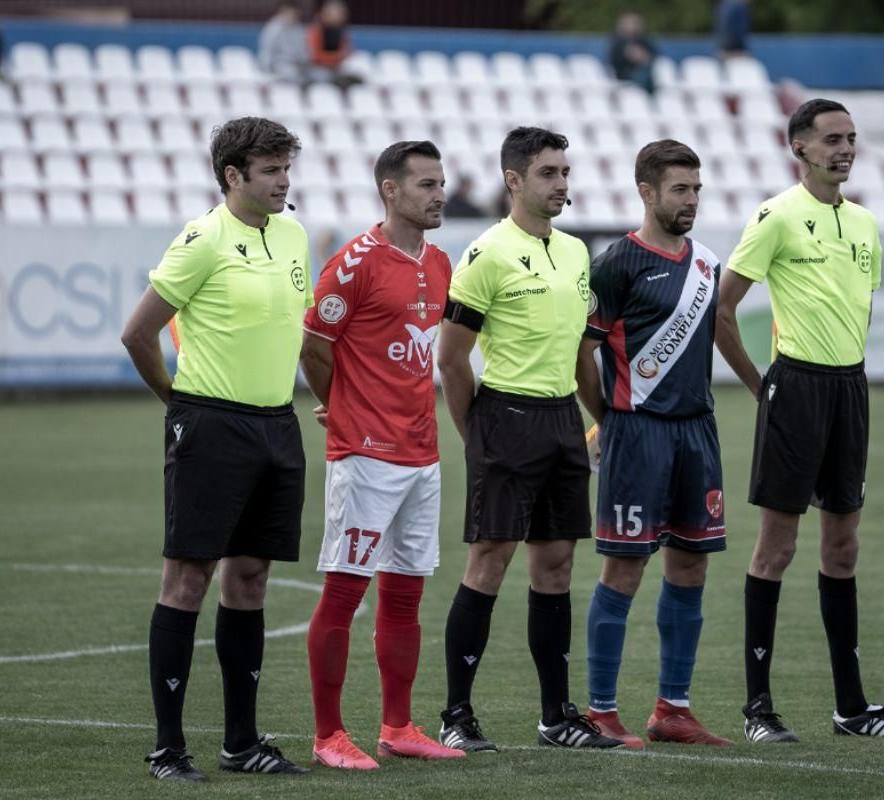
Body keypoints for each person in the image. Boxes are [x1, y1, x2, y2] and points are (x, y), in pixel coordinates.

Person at [120, 117, 312, 781]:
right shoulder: (202, 240)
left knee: (251, 579)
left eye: (287, 167)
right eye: (270, 169)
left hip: (277, 426)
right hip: (210, 424)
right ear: (233, 176)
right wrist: (179, 404)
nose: (284, 180)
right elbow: (138, 333)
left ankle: (241, 743)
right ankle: (168, 749)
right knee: (188, 579)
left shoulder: (292, 235)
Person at [714, 98, 884, 744]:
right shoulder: (776, 217)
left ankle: (851, 707)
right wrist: (760, 386)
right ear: (800, 149)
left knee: (843, 547)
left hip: (851, 390)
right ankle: (758, 709)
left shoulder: (869, 225)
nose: (844, 149)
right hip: (793, 389)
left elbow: (864, 311)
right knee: (778, 547)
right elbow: (723, 308)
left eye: (851, 138)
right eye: (831, 140)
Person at [436, 126, 623, 752]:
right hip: (505, 420)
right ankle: (456, 716)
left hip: (562, 423)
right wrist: (475, 433)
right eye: (548, 173)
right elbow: (452, 359)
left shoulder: (575, 253)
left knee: (557, 565)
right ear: (514, 180)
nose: (562, 184)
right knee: (489, 563)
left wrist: (604, 417)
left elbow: (579, 355)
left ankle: (555, 717)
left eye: (565, 172)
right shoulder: (486, 253)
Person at [300, 140, 465, 770]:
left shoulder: (441, 261)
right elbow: (315, 347)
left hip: (422, 452)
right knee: (344, 592)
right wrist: (343, 406)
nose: (438, 194)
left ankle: (397, 725)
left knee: (405, 594)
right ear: (390, 190)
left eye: (441, 182)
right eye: (425, 184)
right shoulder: (353, 263)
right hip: (365, 456)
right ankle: (327, 736)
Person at [576, 139, 734, 750]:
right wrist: (610, 417)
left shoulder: (707, 264)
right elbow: (581, 356)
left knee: (691, 565)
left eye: (696, 189)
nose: (691, 200)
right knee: (625, 567)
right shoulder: (616, 263)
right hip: (636, 435)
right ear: (646, 191)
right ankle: (601, 711)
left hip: (698, 431)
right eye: (679, 190)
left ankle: (674, 709)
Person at [307, 0, 363, 88]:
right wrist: (337, 57)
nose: (338, 16)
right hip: (318, 69)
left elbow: (348, 51)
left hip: (337, 69)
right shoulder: (316, 31)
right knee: (322, 77)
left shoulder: (342, 32)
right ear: (325, 14)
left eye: (340, 14)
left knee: (358, 77)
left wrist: (340, 58)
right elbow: (315, 56)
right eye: (335, 13)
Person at [258, 0, 309, 83]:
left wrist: (303, 62)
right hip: (277, 67)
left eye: (293, 13)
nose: (291, 15)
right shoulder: (272, 29)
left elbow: (304, 53)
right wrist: (267, 69)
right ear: (282, 12)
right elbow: (266, 53)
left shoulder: (299, 30)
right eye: (288, 12)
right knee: (290, 73)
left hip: (297, 68)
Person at [608, 9, 656, 94]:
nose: (634, 26)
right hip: (624, 77)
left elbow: (652, 56)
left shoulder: (644, 40)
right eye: (631, 22)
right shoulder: (618, 41)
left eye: (637, 23)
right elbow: (632, 55)